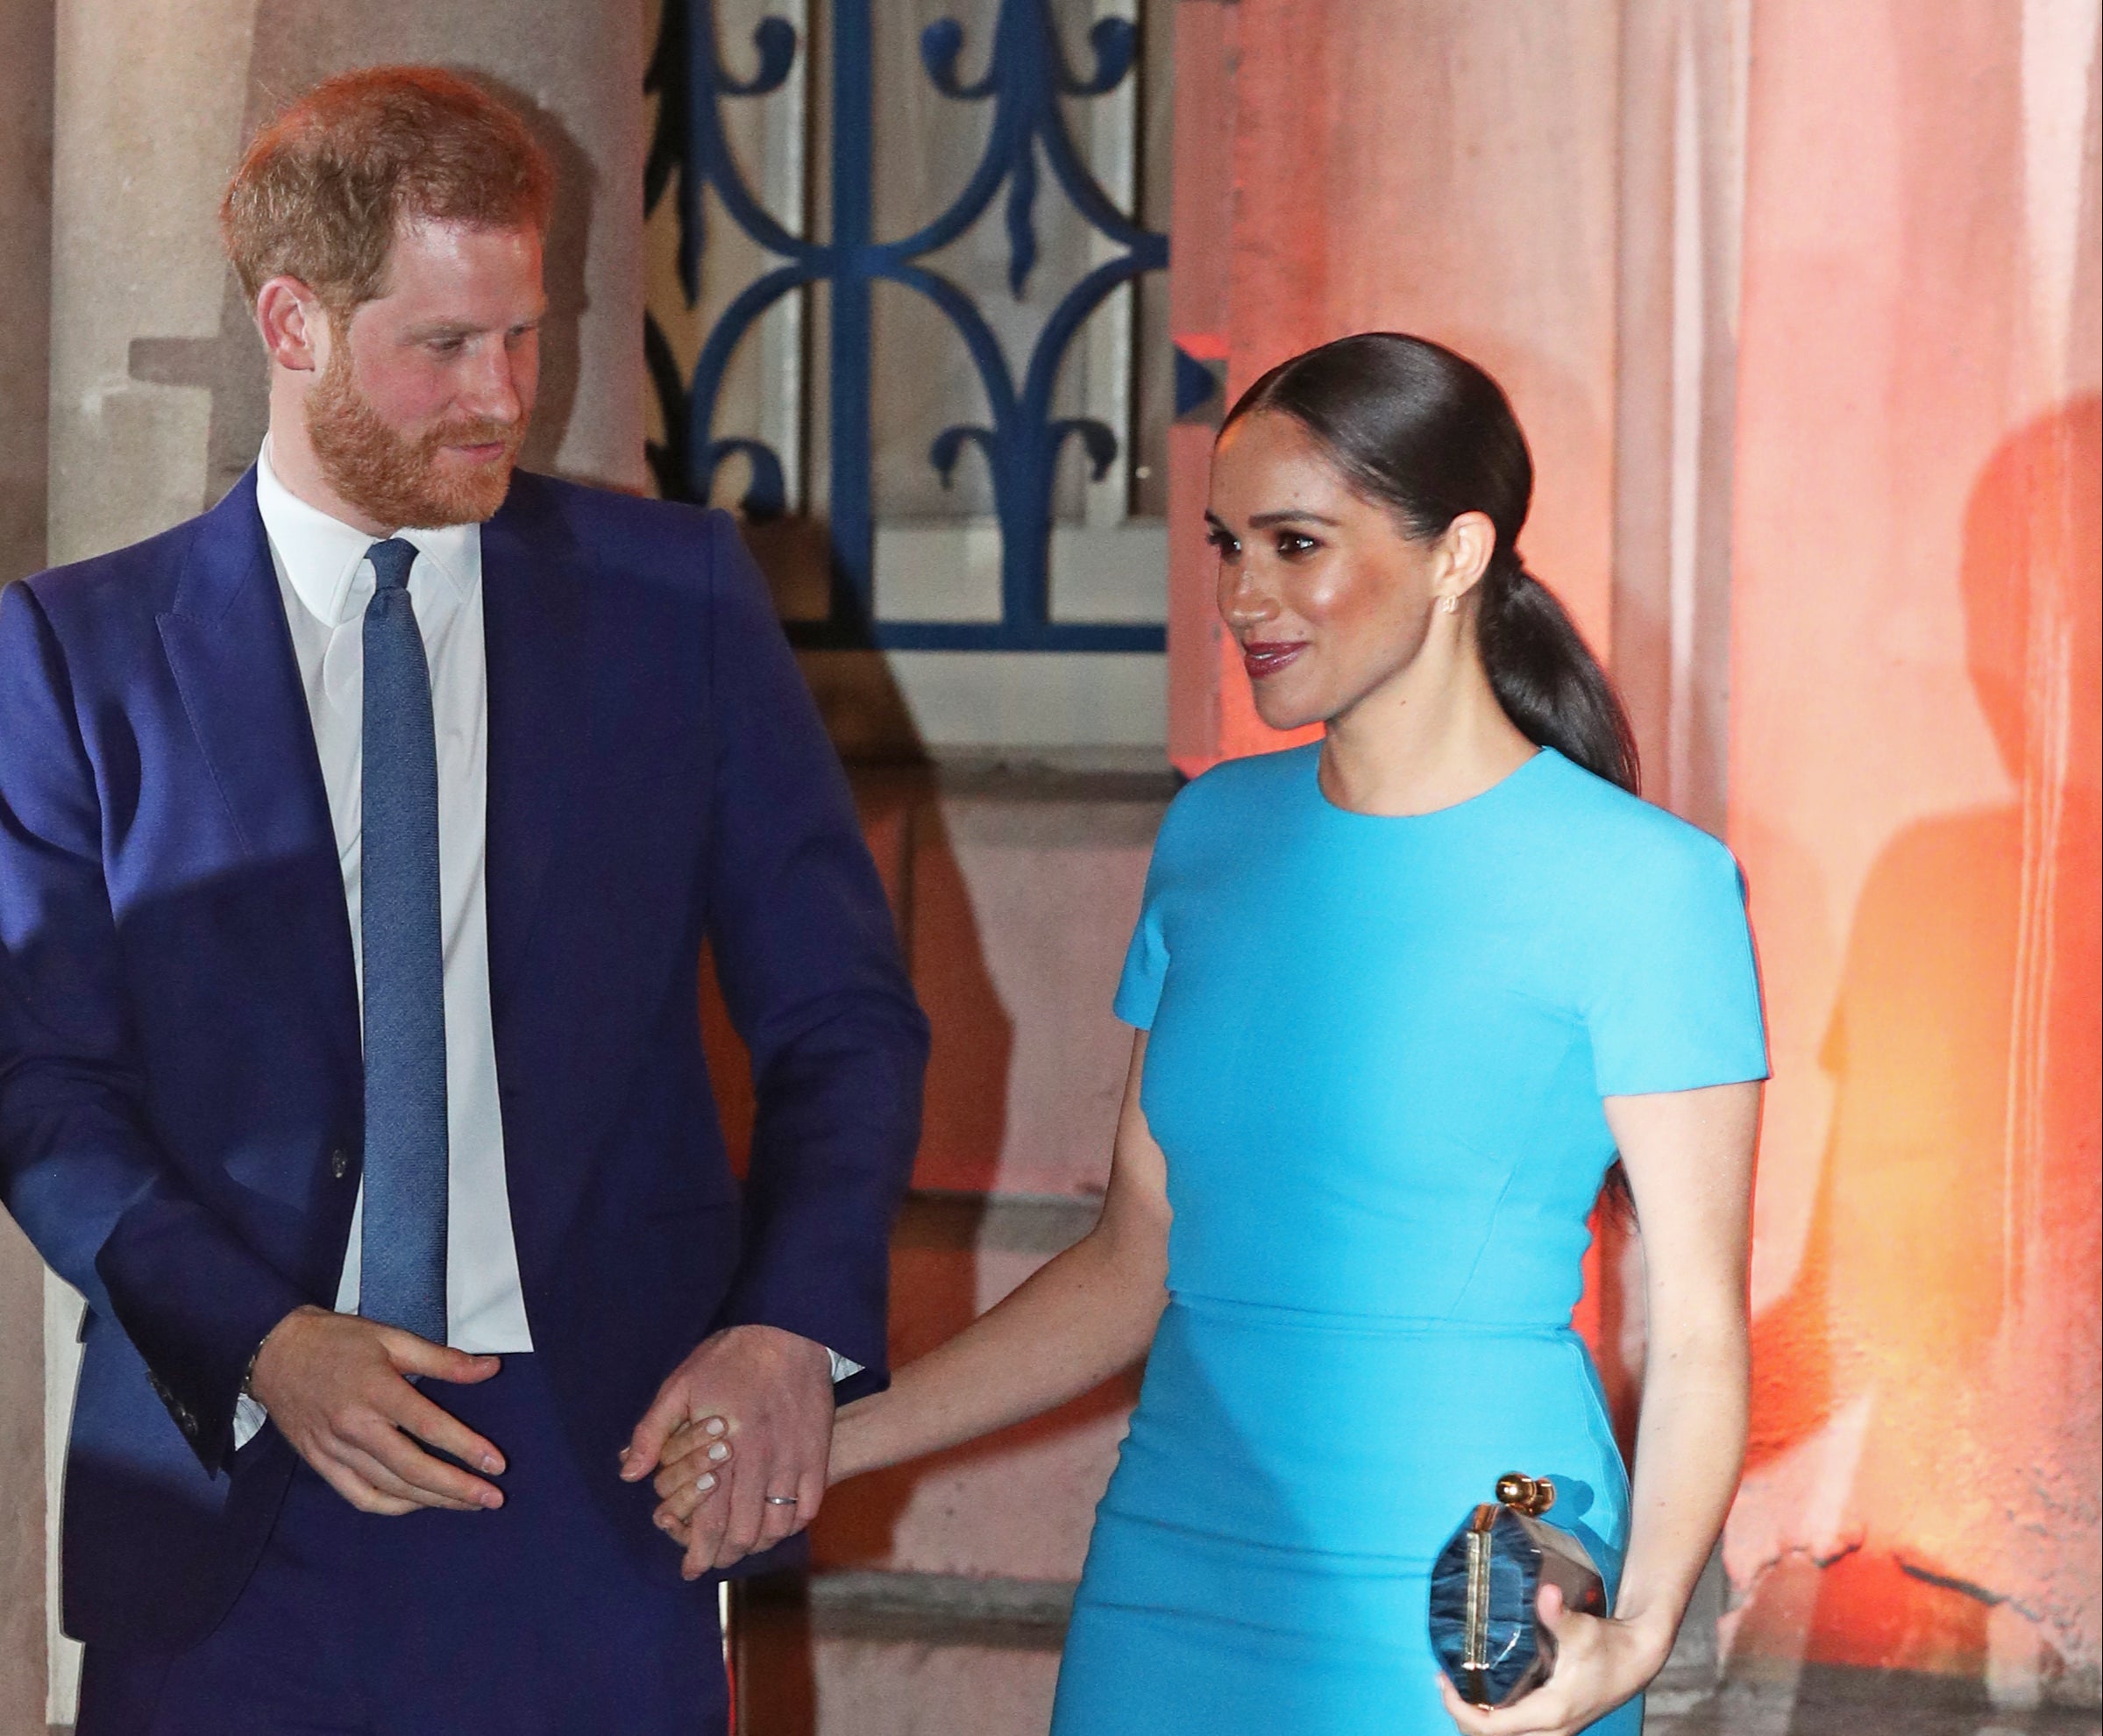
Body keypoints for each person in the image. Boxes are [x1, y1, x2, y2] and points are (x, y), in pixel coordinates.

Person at [0, 66, 926, 1736]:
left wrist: (786, 1326)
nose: (502, 398)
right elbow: (34, 1088)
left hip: (597, 1472)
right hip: (229, 1475)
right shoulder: (82, 654)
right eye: (444, 347)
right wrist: (262, 1339)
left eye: (526, 338)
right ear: (294, 323)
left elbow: (842, 1017)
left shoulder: (675, 603)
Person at [657, 333, 1766, 1734]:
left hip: (1462, 1567)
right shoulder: (1215, 835)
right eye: (1227, 546)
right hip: (1174, 1555)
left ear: (1457, 553)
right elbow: (1135, 1259)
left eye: (1298, 544)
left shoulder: (1643, 883)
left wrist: (1643, 1630)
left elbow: (1707, 1332)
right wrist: (823, 1445)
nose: (1246, 596)